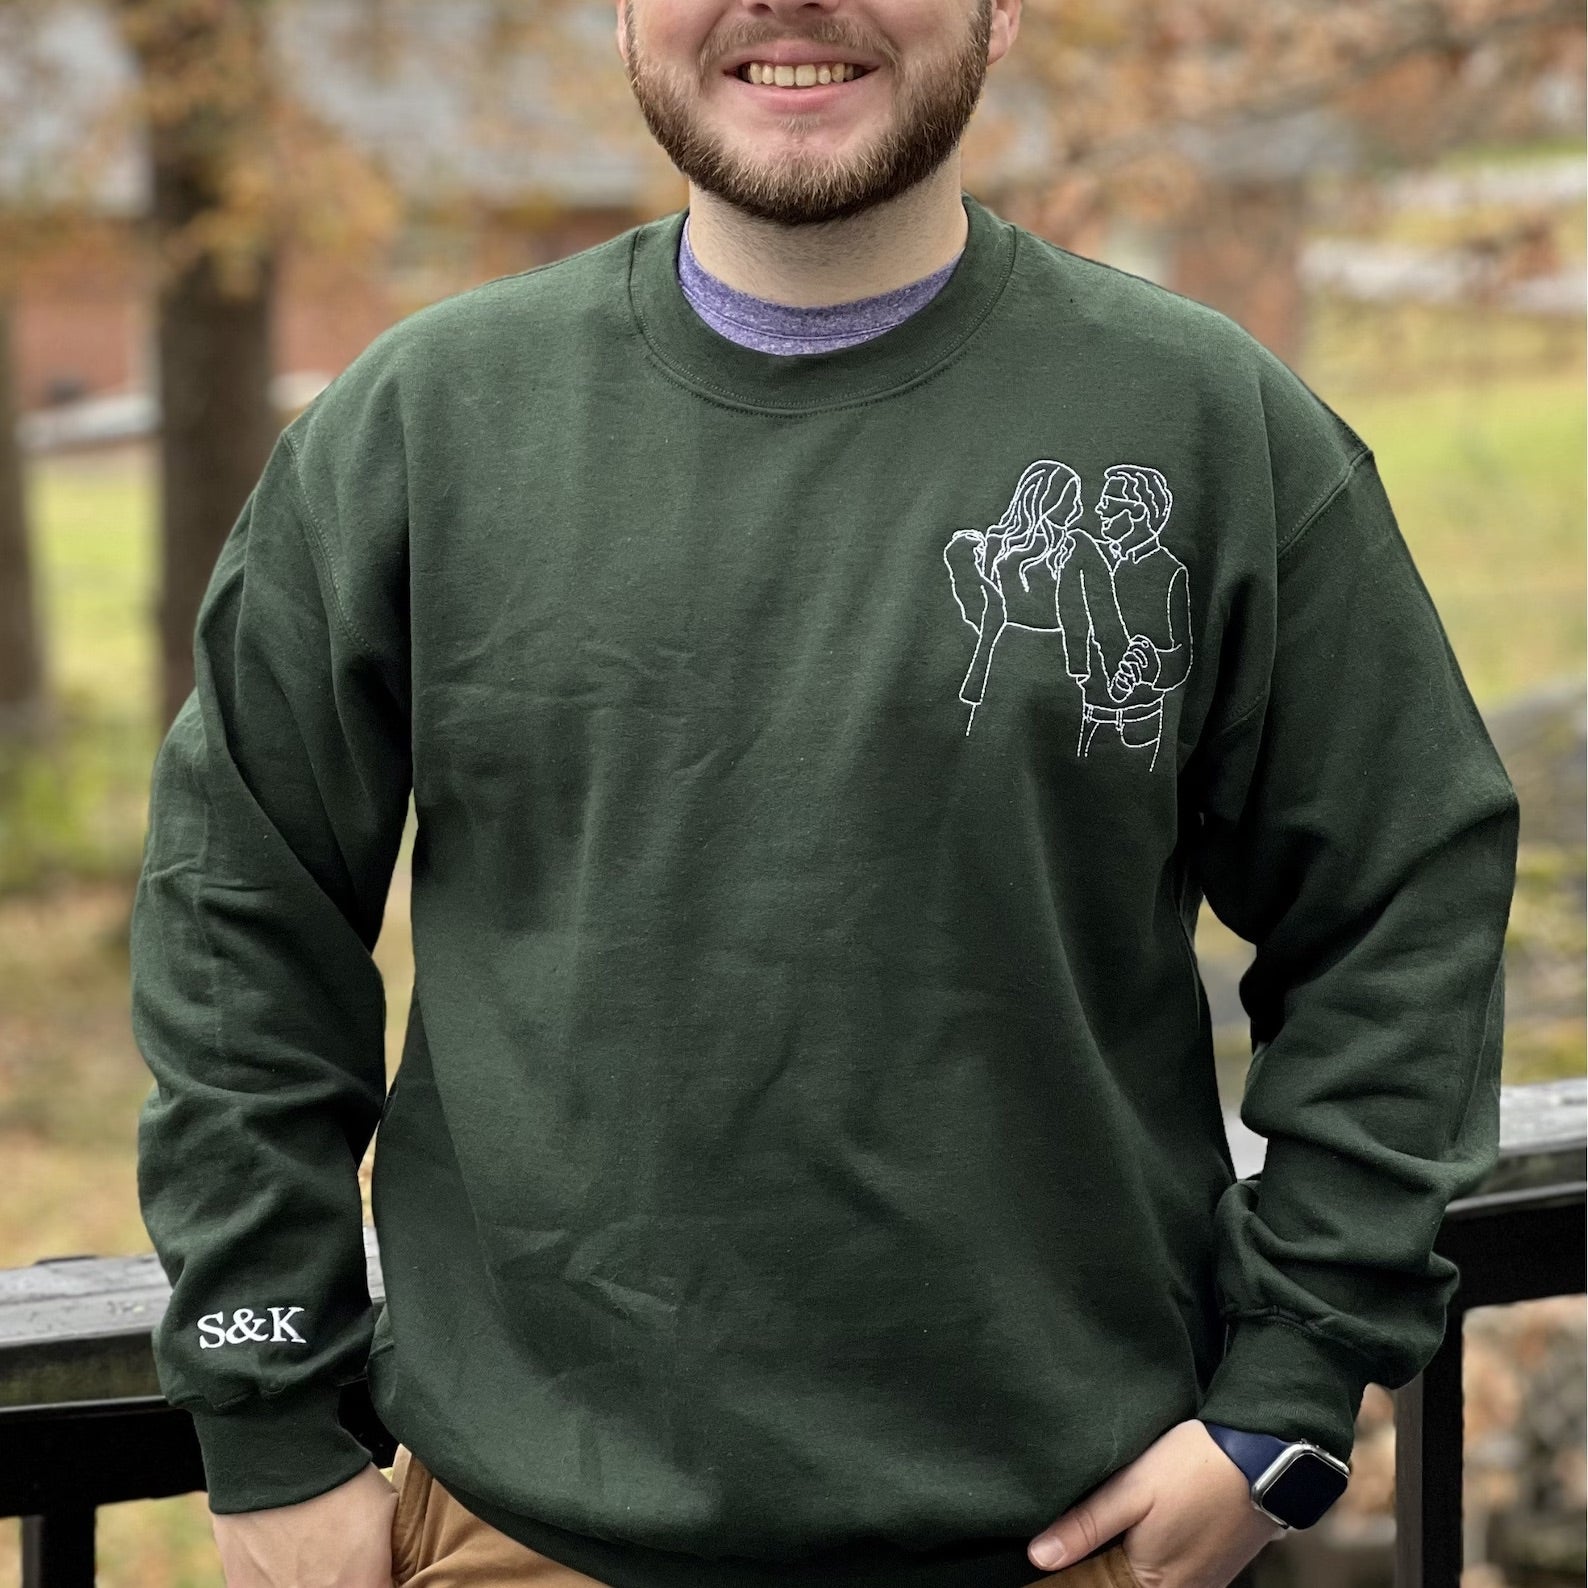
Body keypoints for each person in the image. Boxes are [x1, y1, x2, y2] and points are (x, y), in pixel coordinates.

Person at [128, 0, 1521, 1585]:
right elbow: (237, 911)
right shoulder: (423, 427)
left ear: (1001, 13)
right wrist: (267, 1414)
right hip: (523, 1532)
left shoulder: (1208, 429)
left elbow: (1404, 897)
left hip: (1072, 1532)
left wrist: (1290, 1383)